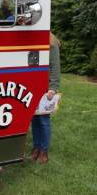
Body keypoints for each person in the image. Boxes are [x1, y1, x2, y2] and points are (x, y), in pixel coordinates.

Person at [31, 33, 61, 164]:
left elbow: (55, 66)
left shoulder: (52, 41)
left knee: (44, 120)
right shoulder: (30, 39)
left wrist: (53, 88)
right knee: (34, 119)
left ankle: (44, 151)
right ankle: (36, 148)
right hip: (31, 86)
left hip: (45, 88)